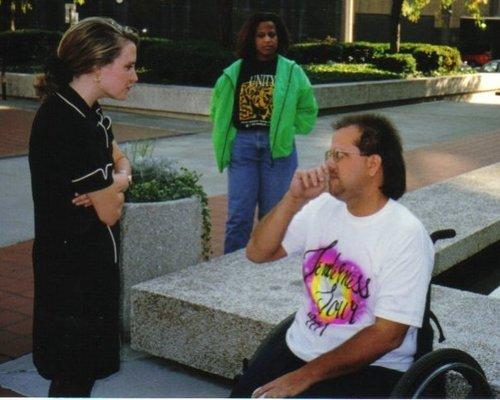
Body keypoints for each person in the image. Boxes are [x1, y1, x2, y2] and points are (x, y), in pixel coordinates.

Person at [232, 114, 435, 398]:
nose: (328, 164)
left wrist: (305, 376)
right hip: (299, 348)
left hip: (371, 369)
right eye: (329, 154)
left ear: (372, 164)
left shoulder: (405, 234)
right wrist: (293, 200)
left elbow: (388, 335)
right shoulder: (322, 208)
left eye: (339, 155)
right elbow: (257, 252)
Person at [29, 17, 138, 397]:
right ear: (95, 66)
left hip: (90, 268)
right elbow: (110, 212)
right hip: (72, 275)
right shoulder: (65, 122)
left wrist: (115, 183)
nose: (134, 76)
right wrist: (116, 186)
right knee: (72, 377)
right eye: (127, 66)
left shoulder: (88, 114)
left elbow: (122, 161)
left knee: (80, 376)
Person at [210, 12, 318, 254]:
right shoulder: (234, 72)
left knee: (275, 214)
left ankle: (268, 266)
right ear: (251, 38)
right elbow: (217, 106)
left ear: (279, 37)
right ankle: (231, 270)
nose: (267, 40)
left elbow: (308, 107)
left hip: (277, 151)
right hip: (243, 147)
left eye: (272, 34)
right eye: (261, 35)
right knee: (239, 215)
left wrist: (289, 128)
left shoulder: (291, 71)